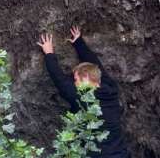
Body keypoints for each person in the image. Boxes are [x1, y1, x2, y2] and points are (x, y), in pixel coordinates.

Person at [37, 26, 129, 158]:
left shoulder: (82, 98)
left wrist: (49, 53)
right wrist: (78, 42)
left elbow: (60, 81)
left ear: (85, 77)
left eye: (76, 79)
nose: (74, 83)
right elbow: (96, 66)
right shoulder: (111, 88)